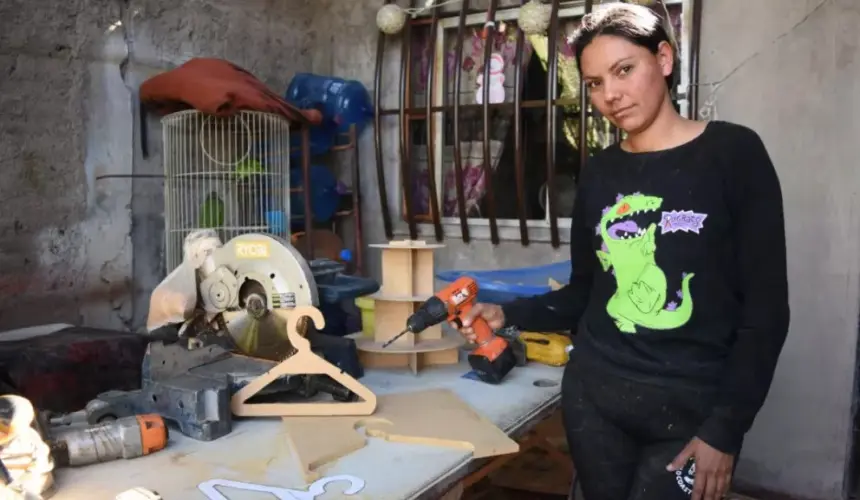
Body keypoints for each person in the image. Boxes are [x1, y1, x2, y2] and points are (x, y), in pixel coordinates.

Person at [452, 3, 790, 500]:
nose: (609, 95)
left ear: (665, 59)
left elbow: (766, 313)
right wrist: (508, 312)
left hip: (692, 410)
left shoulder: (734, 155)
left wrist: (726, 429)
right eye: (593, 83)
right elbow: (586, 291)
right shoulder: (601, 172)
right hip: (597, 401)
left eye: (624, 70)